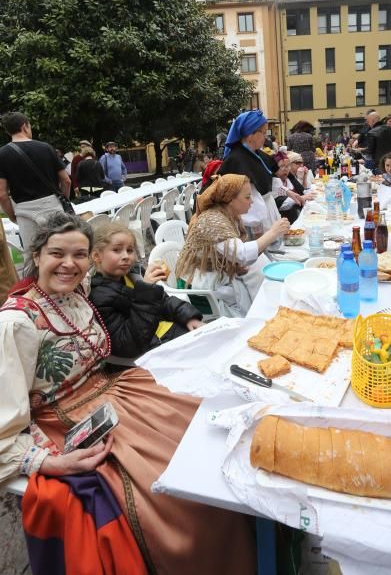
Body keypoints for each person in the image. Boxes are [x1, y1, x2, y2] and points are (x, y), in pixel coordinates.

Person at [0, 212, 255, 574]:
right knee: (182, 494)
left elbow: (128, 297)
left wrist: (149, 286)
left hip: (118, 388)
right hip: (66, 416)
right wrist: (47, 462)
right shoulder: (15, 324)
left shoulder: (79, 292)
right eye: (57, 253)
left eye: (80, 255)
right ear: (37, 255)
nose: (69, 264)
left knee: (211, 426)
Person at [176, 174, 290, 316]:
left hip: (218, 272)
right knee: (257, 270)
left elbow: (233, 253)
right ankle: (261, 316)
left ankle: (266, 310)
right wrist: (273, 232)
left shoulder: (227, 215)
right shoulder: (213, 220)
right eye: (247, 197)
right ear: (230, 200)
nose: (252, 201)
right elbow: (241, 254)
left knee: (259, 265)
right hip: (206, 282)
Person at [89, 223, 203, 357]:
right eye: (117, 250)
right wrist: (146, 290)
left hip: (169, 331)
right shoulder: (99, 297)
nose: (126, 256)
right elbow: (127, 343)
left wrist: (188, 317)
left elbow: (164, 300)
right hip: (154, 348)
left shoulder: (133, 275)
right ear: (96, 256)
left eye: (130, 250)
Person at [0, 112, 71, 251]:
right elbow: (66, 180)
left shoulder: (2, 154)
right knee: (62, 250)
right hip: (53, 206)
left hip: (25, 211)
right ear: (25, 126)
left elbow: (2, 194)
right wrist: (63, 200)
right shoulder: (46, 147)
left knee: (32, 256)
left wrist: (13, 216)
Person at [218, 109, 281, 233]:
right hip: (251, 219)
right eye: (263, 132)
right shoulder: (236, 159)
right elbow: (247, 199)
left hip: (266, 212)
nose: (266, 136)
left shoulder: (257, 154)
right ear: (250, 135)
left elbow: (271, 181)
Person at [272, 155, 303, 224]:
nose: (286, 169)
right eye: (282, 166)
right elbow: (279, 204)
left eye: (288, 166)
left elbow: (303, 191)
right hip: (283, 222)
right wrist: (301, 198)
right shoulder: (272, 184)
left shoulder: (290, 180)